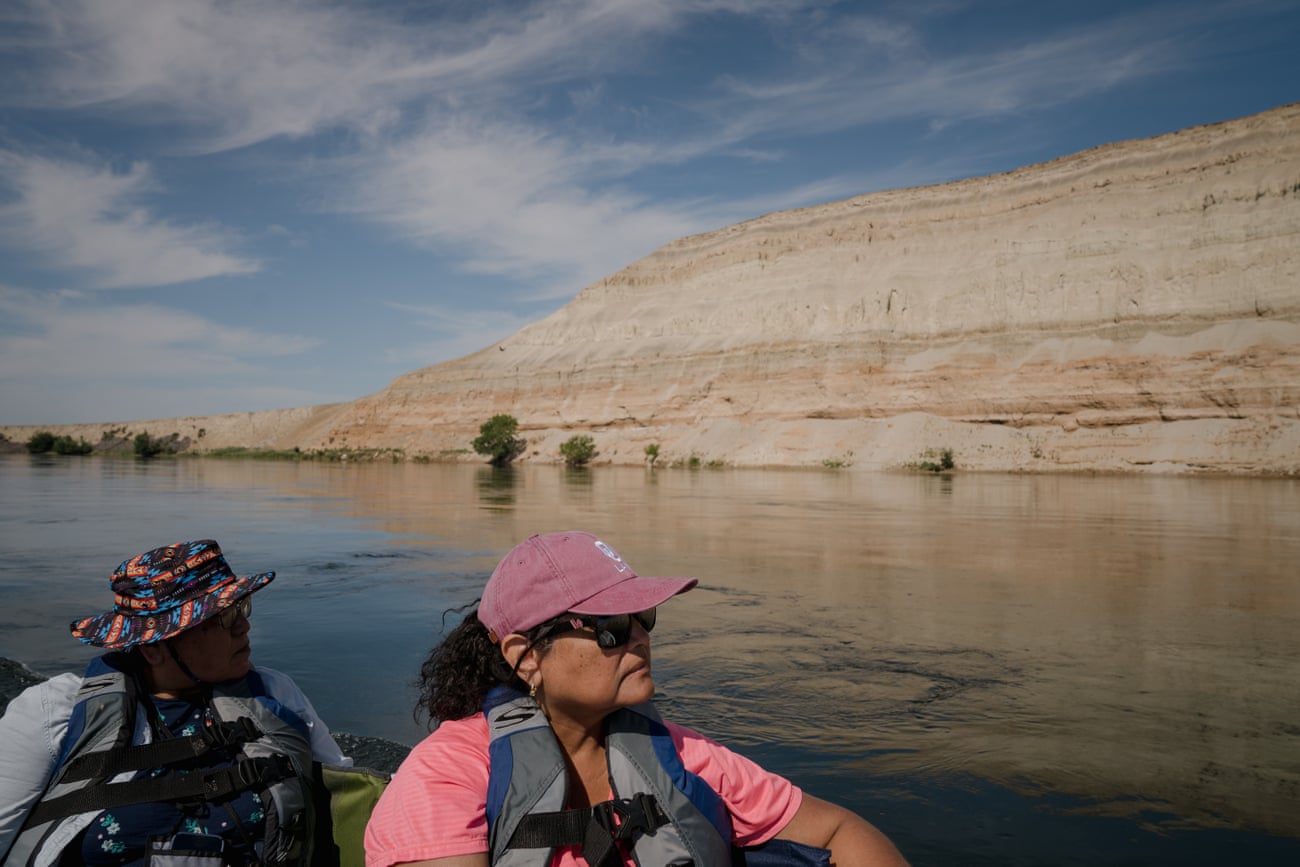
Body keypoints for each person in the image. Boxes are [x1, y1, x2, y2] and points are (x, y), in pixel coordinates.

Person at [364, 531, 909, 867]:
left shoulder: (681, 753)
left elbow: (839, 831)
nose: (640, 638)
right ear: (526, 656)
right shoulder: (447, 776)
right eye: (610, 627)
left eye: (643, 618)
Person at [0, 539, 351, 867]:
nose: (244, 626)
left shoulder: (276, 693)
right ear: (154, 647)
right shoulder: (55, 710)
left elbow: (343, 796)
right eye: (223, 618)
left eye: (241, 608)